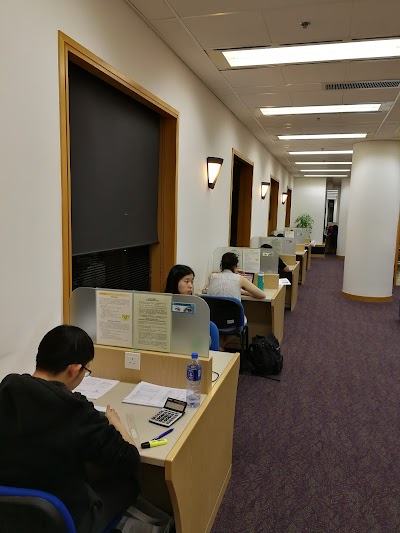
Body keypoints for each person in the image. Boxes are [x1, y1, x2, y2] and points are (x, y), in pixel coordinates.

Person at [0, 325, 140, 533]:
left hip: (9, 515)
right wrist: (115, 422)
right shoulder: (74, 409)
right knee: (128, 482)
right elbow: (129, 458)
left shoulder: (7, 388)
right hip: (62, 519)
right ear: (74, 370)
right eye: (86, 370)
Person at [208, 252, 265, 350]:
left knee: (223, 316)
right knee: (240, 320)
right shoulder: (240, 279)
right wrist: (244, 292)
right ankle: (222, 344)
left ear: (221, 264)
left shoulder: (212, 277)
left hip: (213, 323)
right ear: (235, 266)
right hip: (233, 325)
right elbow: (261, 295)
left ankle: (220, 344)